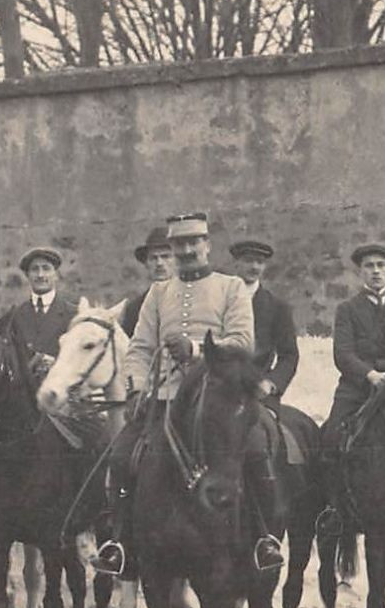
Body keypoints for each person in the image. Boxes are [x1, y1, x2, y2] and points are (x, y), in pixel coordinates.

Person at [93, 212, 282, 576]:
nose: (186, 250)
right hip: (164, 400)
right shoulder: (159, 293)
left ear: (207, 245)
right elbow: (140, 347)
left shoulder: (231, 288)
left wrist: (196, 350)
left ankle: (264, 539)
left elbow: (243, 341)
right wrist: (135, 387)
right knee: (120, 456)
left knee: (257, 449)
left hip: (219, 398)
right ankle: (119, 542)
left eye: (194, 242)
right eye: (179, 244)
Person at [322, 243, 385, 437]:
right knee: (331, 438)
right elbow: (343, 354)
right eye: (369, 266)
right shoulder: (347, 309)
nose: (376, 271)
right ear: (360, 272)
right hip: (357, 388)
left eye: (381, 265)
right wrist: (371, 375)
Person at [228, 238, 300, 400]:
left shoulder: (277, 307)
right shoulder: (218, 299)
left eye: (259, 262)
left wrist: (271, 383)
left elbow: (289, 356)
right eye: (248, 261)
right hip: (221, 385)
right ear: (236, 263)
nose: (254, 267)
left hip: (258, 390)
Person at [5, 246, 76, 388]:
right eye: (34, 269)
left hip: (62, 395)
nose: (40, 275)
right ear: (27, 276)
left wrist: (57, 363)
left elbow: (82, 359)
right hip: (25, 398)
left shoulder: (73, 314)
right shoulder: (15, 316)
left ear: (56, 274)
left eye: (46, 268)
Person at [120, 226, 174, 339]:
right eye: (153, 258)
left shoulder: (192, 297)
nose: (159, 263)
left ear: (178, 261)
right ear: (146, 264)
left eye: (166, 257)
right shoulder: (134, 309)